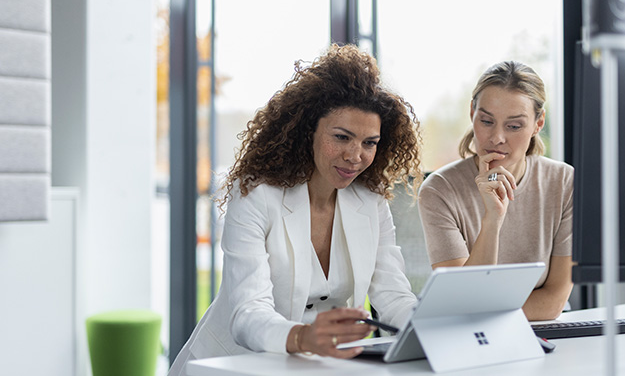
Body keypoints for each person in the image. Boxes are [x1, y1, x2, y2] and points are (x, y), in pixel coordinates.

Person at [168, 44, 423, 375]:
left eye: (369, 143)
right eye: (342, 137)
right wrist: (304, 337)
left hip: (315, 367)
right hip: (231, 364)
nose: (355, 155)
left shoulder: (370, 201)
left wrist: (430, 330)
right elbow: (247, 313)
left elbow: (394, 297)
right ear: (309, 132)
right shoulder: (256, 194)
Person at [417, 61, 573, 321]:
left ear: (538, 123)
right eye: (487, 121)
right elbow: (462, 300)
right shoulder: (439, 190)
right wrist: (492, 221)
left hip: (542, 329)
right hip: (469, 335)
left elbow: (554, 302)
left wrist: (485, 310)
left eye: (514, 126)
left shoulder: (564, 182)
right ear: (472, 113)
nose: (497, 137)